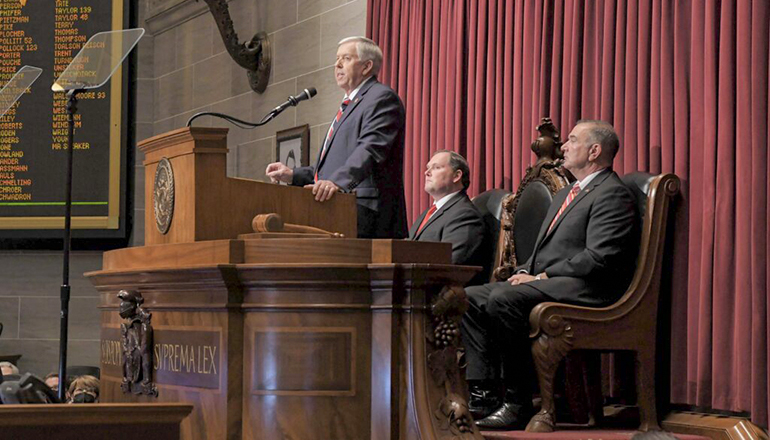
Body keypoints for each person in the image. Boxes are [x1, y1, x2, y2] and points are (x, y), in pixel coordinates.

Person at [461, 120, 640, 429]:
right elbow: (544, 251)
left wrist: (540, 278)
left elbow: (599, 258)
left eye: (572, 140)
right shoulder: (567, 192)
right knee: (470, 297)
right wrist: (523, 271)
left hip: (590, 288)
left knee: (504, 298)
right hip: (555, 281)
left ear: (595, 150)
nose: (564, 147)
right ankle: (484, 395)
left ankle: (517, 401)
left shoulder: (612, 193)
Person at [266, 36, 407, 239]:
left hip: (364, 211)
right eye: (337, 58)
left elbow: (370, 149)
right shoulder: (351, 103)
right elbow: (330, 169)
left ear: (367, 66)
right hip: (340, 210)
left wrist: (337, 183)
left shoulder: (381, 98)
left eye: (346, 58)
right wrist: (292, 175)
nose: (337, 64)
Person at [409, 150, 491, 285]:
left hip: (437, 293)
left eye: (436, 167)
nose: (427, 172)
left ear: (457, 175)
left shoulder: (465, 214)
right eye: (427, 168)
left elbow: (450, 262)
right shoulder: (429, 212)